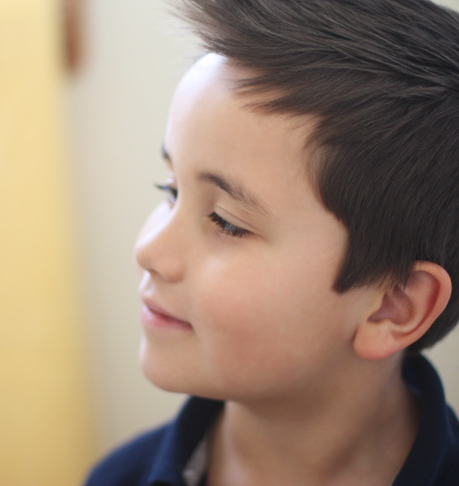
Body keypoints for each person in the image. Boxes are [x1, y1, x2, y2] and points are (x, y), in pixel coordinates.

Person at [85, 1, 459, 484]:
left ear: (392, 305)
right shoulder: (117, 477)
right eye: (170, 190)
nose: (150, 251)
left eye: (226, 222)